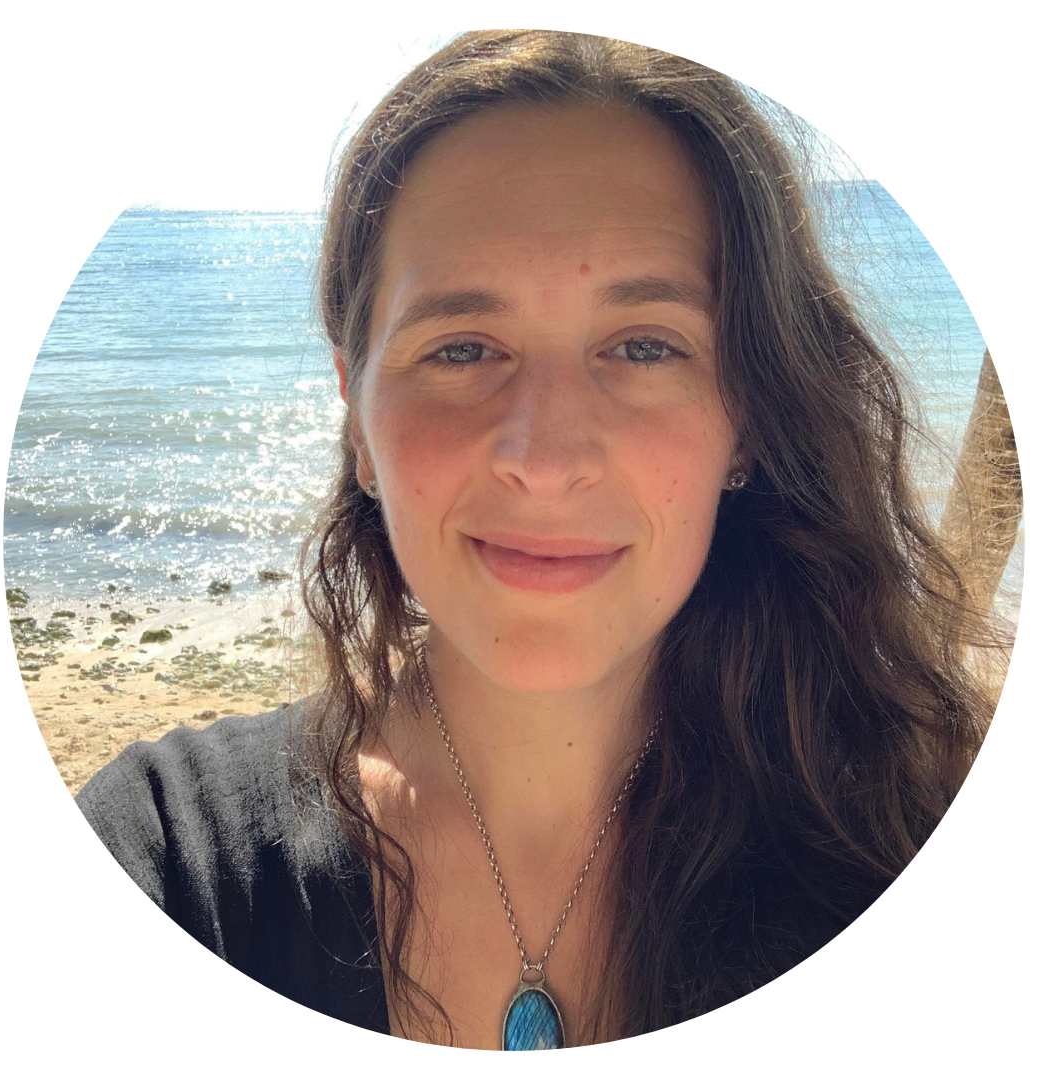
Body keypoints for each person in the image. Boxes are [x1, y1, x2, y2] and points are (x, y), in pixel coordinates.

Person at [74, 30, 1008, 1050]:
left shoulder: (906, 844)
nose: (547, 458)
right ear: (358, 421)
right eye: (462, 349)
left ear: (745, 416)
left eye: (644, 346)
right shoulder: (172, 861)